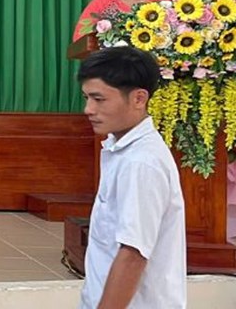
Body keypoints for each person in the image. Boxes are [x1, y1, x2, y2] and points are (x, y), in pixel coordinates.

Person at [77, 46, 186, 308]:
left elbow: (133, 255)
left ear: (139, 99)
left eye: (99, 99)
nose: (88, 110)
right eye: (86, 98)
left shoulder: (141, 162)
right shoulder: (122, 150)